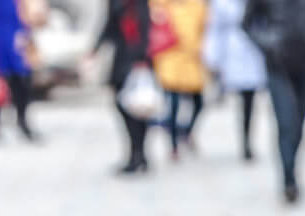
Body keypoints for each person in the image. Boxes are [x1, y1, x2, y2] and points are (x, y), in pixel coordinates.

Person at [242, 0, 305, 203]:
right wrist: (267, 43)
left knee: (300, 123)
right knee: (286, 122)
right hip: (277, 66)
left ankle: (293, 167)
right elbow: (247, 24)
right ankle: (289, 180)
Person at [89, 0, 153, 174]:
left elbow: (146, 25)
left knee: (140, 108)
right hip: (122, 58)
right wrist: (95, 48)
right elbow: (110, 24)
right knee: (124, 106)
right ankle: (135, 153)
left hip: (140, 59)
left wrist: (142, 57)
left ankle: (140, 154)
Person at [202, 0, 266, 160]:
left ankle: (247, 141)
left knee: (249, 100)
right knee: (239, 98)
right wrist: (212, 57)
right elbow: (214, 28)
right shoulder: (223, 4)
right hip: (231, 51)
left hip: (252, 48)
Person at [152, 0, 208, 159]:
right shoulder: (161, 5)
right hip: (170, 59)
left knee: (199, 102)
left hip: (191, 59)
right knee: (173, 104)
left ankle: (187, 132)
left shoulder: (196, 5)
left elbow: (204, 28)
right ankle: (173, 145)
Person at [0, 0, 38, 141]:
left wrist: (24, 33)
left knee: (22, 82)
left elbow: (20, 16)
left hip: (13, 42)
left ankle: (22, 121)